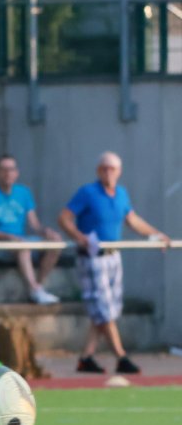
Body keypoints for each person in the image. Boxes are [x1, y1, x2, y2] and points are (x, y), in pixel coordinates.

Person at [57, 151, 169, 375]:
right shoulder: (88, 192)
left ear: (119, 171)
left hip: (113, 256)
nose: (109, 172)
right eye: (105, 168)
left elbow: (132, 220)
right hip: (92, 257)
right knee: (104, 309)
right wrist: (80, 238)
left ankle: (86, 357)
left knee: (107, 309)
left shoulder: (121, 194)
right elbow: (64, 218)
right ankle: (121, 356)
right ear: (99, 171)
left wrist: (156, 235)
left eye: (113, 168)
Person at [0, 154, 62, 304]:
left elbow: (34, 225)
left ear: (17, 172)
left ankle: (38, 287)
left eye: (12, 169)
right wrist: (10, 237)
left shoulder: (24, 193)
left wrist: (46, 232)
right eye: (4, 169)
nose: (8, 173)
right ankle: (34, 289)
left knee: (56, 243)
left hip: (21, 241)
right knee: (23, 246)